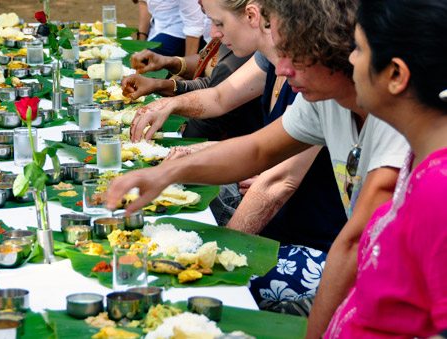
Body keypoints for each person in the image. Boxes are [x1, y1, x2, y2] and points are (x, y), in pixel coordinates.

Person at [107, 0, 408, 323]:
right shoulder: (325, 98)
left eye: (294, 56)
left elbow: (352, 245)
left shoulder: (394, 122)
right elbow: (256, 151)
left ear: (336, 52)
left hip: (385, 286)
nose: (281, 69)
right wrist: (167, 173)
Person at [325, 0, 447, 336]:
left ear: (395, 74)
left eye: (359, 49)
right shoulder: (417, 158)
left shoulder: (440, 186)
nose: (350, 58)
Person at [123, 37, 262, 141]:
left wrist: (168, 98)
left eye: (219, 22)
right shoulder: (243, 41)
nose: (213, 32)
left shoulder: (250, 51)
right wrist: (168, 63)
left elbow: (218, 93)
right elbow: (209, 64)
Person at [131, 0, 209, 56]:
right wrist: (142, 40)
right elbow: (144, 3)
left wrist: (186, 69)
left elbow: (194, 26)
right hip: (158, 26)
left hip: (182, 31)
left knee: (145, 61)